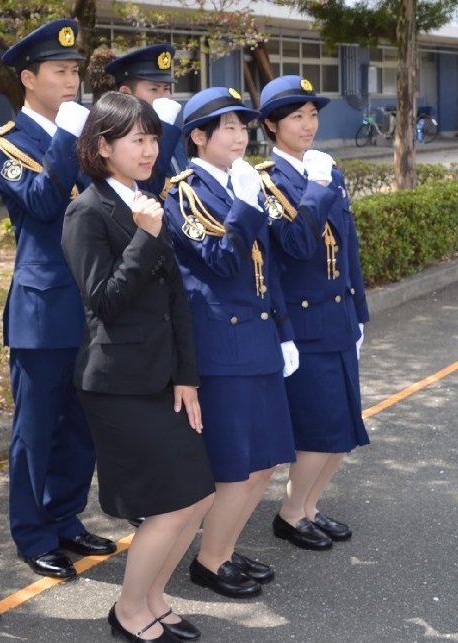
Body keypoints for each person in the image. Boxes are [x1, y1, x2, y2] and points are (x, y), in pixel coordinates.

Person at [62, 91, 215, 642]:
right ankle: (129, 611)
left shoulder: (146, 199)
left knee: (199, 492)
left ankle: (153, 597)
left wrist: (187, 376)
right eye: (137, 140)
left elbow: (176, 300)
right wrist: (146, 237)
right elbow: (104, 300)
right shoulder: (87, 210)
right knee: (172, 503)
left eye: (153, 138)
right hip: (117, 383)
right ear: (103, 147)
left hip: (162, 376)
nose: (150, 149)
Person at [0, 19, 116, 580]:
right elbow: (41, 204)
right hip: (42, 310)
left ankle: (65, 518)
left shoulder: (84, 131)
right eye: (60, 71)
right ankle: (33, 532)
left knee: (81, 425)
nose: (72, 81)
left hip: (90, 301)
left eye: (75, 71)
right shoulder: (9, 141)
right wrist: (68, 136)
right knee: (35, 431)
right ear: (28, 77)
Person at [163, 87, 299, 599]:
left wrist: (284, 331)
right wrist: (244, 205)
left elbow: (270, 271)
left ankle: (225, 544)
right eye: (229, 128)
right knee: (235, 464)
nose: (241, 136)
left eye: (244, 127)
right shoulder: (184, 193)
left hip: (260, 338)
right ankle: (210, 559)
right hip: (224, 345)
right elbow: (219, 261)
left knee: (264, 460)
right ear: (198, 137)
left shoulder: (242, 184)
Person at [257, 75, 370, 550]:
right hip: (303, 325)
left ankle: (308, 507)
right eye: (296, 116)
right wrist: (319, 186)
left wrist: (361, 311)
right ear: (271, 124)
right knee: (317, 431)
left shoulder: (326, 171)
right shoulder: (267, 180)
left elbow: (349, 250)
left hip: (339, 317)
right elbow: (297, 244)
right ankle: (289, 512)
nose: (308, 125)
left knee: (343, 429)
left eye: (312, 114)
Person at [105, 44, 186, 197]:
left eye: (167, 89)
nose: (164, 98)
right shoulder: (118, 141)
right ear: (126, 93)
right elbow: (147, 188)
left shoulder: (171, 132)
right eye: (154, 90)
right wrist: (163, 128)